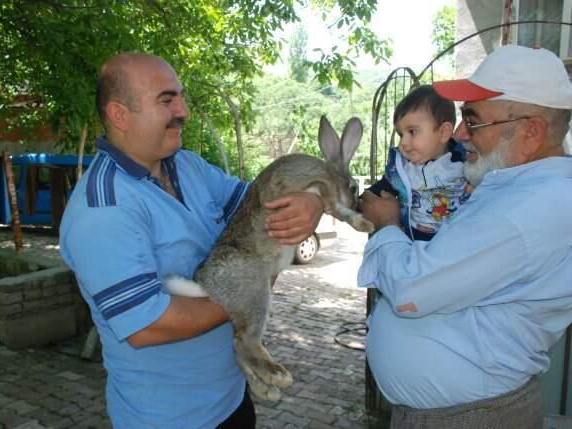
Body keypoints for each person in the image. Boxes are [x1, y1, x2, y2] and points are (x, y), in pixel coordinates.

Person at [59, 53, 323, 428]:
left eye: (180, 97)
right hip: (170, 418)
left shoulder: (188, 165)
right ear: (120, 115)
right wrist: (250, 290)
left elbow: (264, 208)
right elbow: (147, 325)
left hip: (231, 399)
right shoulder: (103, 208)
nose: (183, 109)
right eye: (166, 100)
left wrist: (312, 200)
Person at [358, 44, 572, 428]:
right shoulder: (517, 191)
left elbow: (410, 291)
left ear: (530, 132)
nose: (458, 134)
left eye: (472, 121)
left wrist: (387, 224)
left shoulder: (527, 210)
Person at [368, 84, 469, 241]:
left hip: (454, 249)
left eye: (412, 131)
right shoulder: (401, 170)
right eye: (401, 134)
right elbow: (373, 196)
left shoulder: (468, 166)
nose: (404, 142)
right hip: (409, 245)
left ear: (444, 133)